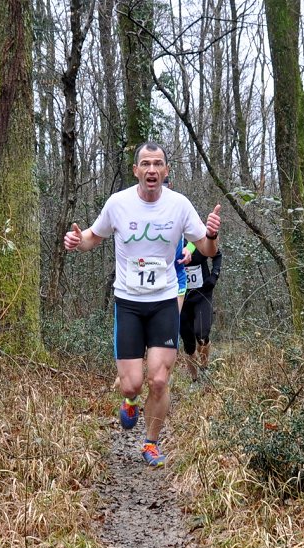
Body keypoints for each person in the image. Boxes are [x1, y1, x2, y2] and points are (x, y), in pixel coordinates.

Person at [64, 141, 221, 467]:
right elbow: (94, 236)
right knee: (131, 384)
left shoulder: (179, 205)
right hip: (129, 303)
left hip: (164, 301)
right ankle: (131, 399)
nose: (152, 170)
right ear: (136, 170)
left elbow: (206, 249)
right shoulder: (118, 204)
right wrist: (78, 241)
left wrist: (211, 235)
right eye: (146, 164)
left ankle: (151, 443)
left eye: (158, 164)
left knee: (159, 380)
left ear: (166, 170)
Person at [179, 244, 222, 382]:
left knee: (202, 334)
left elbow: (217, 255)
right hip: (180, 297)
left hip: (202, 293)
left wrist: (214, 276)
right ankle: (194, 379)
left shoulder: (198, 238)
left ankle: (204, 368)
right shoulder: (172, 239)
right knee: (188, 344)